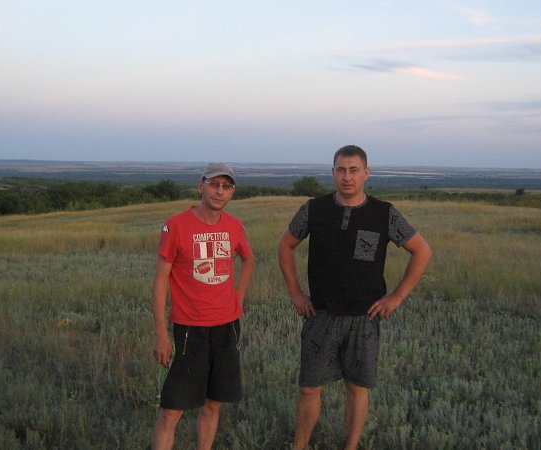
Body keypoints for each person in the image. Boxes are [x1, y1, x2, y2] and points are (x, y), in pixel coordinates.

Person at [278, 145, 432, 450]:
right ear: (332, 172)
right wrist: (295, 293)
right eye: (341, 170)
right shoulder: (315, 209)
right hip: (321, 314)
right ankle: (300, 446)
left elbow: (422, 251)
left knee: (357, 389)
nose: (347, 177)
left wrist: (397, 297)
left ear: (366, 173)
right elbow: (285, 245)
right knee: (309, 388)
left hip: (364, 317)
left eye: (353, 170)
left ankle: (350, 447)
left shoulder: (384, 213)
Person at [150, 162, 255, 450]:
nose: (220, 191)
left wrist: (238, 297)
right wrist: (161, 333)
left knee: (213, 404)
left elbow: (248, 259)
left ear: (232, 192)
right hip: (189, 330)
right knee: (171, 410)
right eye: (214, 184)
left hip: (226, 327)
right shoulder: (176, 225)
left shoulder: (234, 226)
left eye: (226, 186)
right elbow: (160, 281)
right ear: (201, 186)